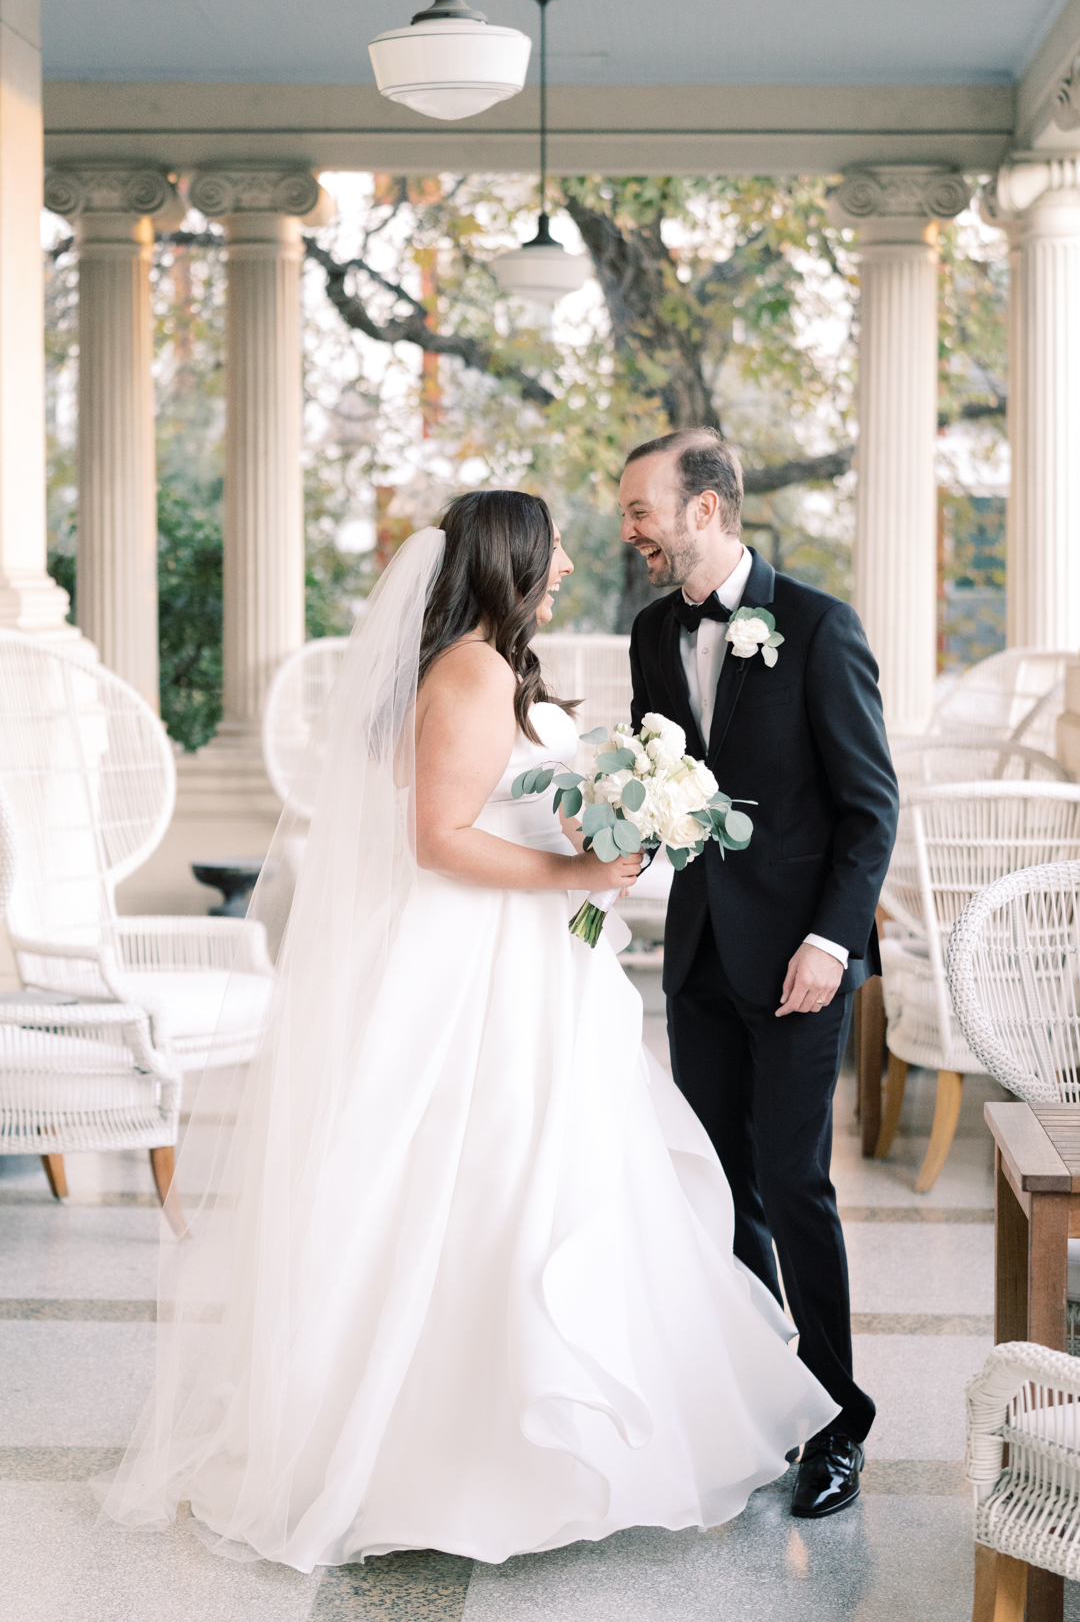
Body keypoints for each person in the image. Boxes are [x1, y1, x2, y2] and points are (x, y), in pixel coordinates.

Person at [98, 487, 836, 1571]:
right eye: (553, 555)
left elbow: (506, 803)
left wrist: (616, 827)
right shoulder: (471, 671)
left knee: (540, 1183)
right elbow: (440, 839)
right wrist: (578, 870)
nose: (571, 572)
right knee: (481, 1180)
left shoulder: (490, 666)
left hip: (531, 965)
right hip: (477, 970)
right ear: (510, 563)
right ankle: (454, 1463)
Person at [622, 430, 899, 1519]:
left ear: (706, 509)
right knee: (722, 1190)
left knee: (796, 1185)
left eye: (643, 508)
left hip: (797, 963)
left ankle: (838, 1417)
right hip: (696, 957)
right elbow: (657, 791)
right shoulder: (652, 633)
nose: (631, 529)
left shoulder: (821, 627)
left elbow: (870, 807)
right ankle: (756, 1405)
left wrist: (831, 943)